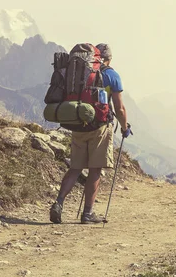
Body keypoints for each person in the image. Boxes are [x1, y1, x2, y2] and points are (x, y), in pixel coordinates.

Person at [50, 43, 132, 224]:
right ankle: (88, 213)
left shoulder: (80, 71)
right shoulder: (111, 75)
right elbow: (119, 108)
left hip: (78, 123)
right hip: (99, 128)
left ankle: (59, 203)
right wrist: (125, 127)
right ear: (108, 58)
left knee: (75, 169)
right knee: (95, 170)